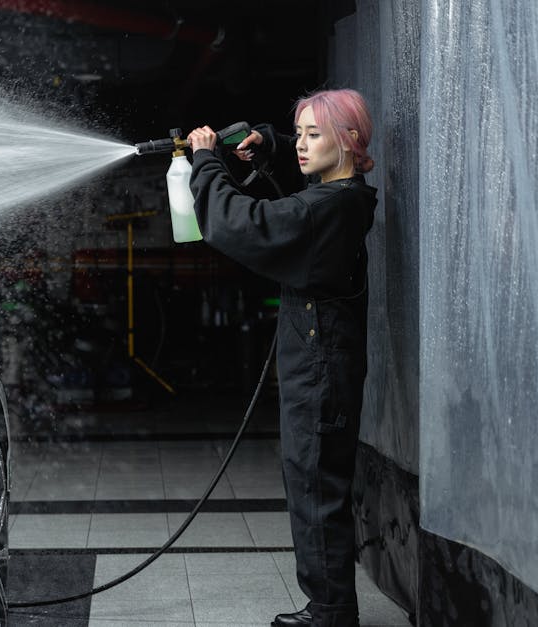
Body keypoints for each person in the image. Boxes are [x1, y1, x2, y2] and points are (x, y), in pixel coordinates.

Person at [187, 88, 377, 627]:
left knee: (316, 486)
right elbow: (297, 196)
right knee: (313, 481)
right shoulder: (341, 194)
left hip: (320, 369)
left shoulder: (328, 207)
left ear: (350, 141)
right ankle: (330, 606)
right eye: (299, 133)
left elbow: (242, 224)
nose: (301, 144)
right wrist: (267, 142)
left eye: (314, 135)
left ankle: (331, 613)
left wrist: (207, 162)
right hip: (321, 362)